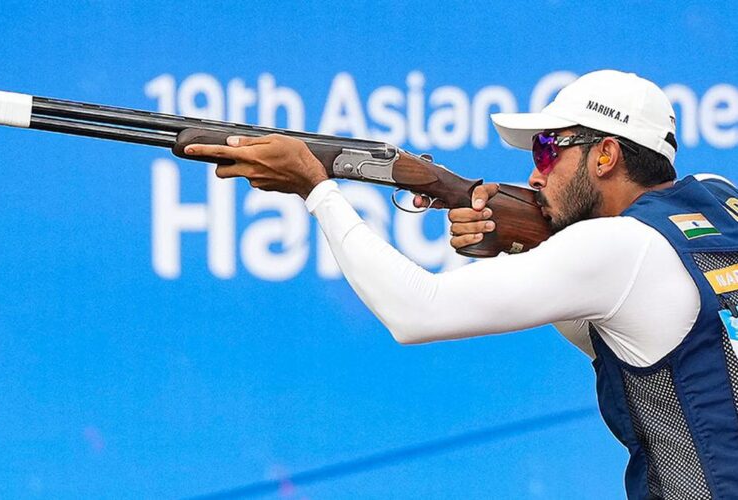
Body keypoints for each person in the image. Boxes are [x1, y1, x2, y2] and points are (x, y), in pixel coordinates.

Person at [184, 70, 738, 499]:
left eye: (548, 149)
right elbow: (639, 333)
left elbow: (417, 313)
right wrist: (527, 244)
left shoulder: (620, 247)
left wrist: (317, 189)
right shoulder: (719, 198)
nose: (534, 174)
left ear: (606, 155)